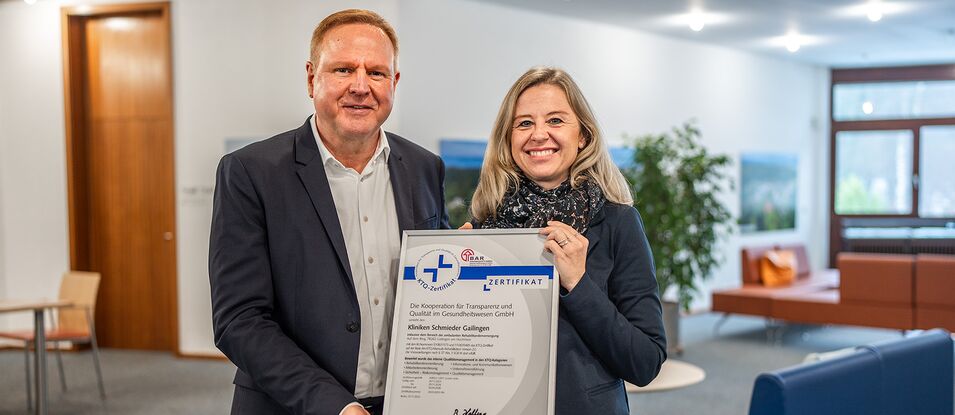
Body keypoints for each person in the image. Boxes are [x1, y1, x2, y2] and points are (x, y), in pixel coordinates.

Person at [209, 9, 448, 415]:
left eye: (376, 72)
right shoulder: (251, 173)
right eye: (342, 69)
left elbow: (433, 285)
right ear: (310, 78)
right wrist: (334, 404)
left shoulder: (425, 167)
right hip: (292, 405)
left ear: (395, 82)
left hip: (404, 403)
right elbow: (240, 319)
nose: (360, 86)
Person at [466, 67, 666, 414]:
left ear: (583, 136)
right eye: (524, 123)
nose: (538, 134)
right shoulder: (484, 228)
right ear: (509, 139)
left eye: (555, 120)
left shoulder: (618, 222)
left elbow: (645, 362)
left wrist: (578, 283)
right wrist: (458, 281)